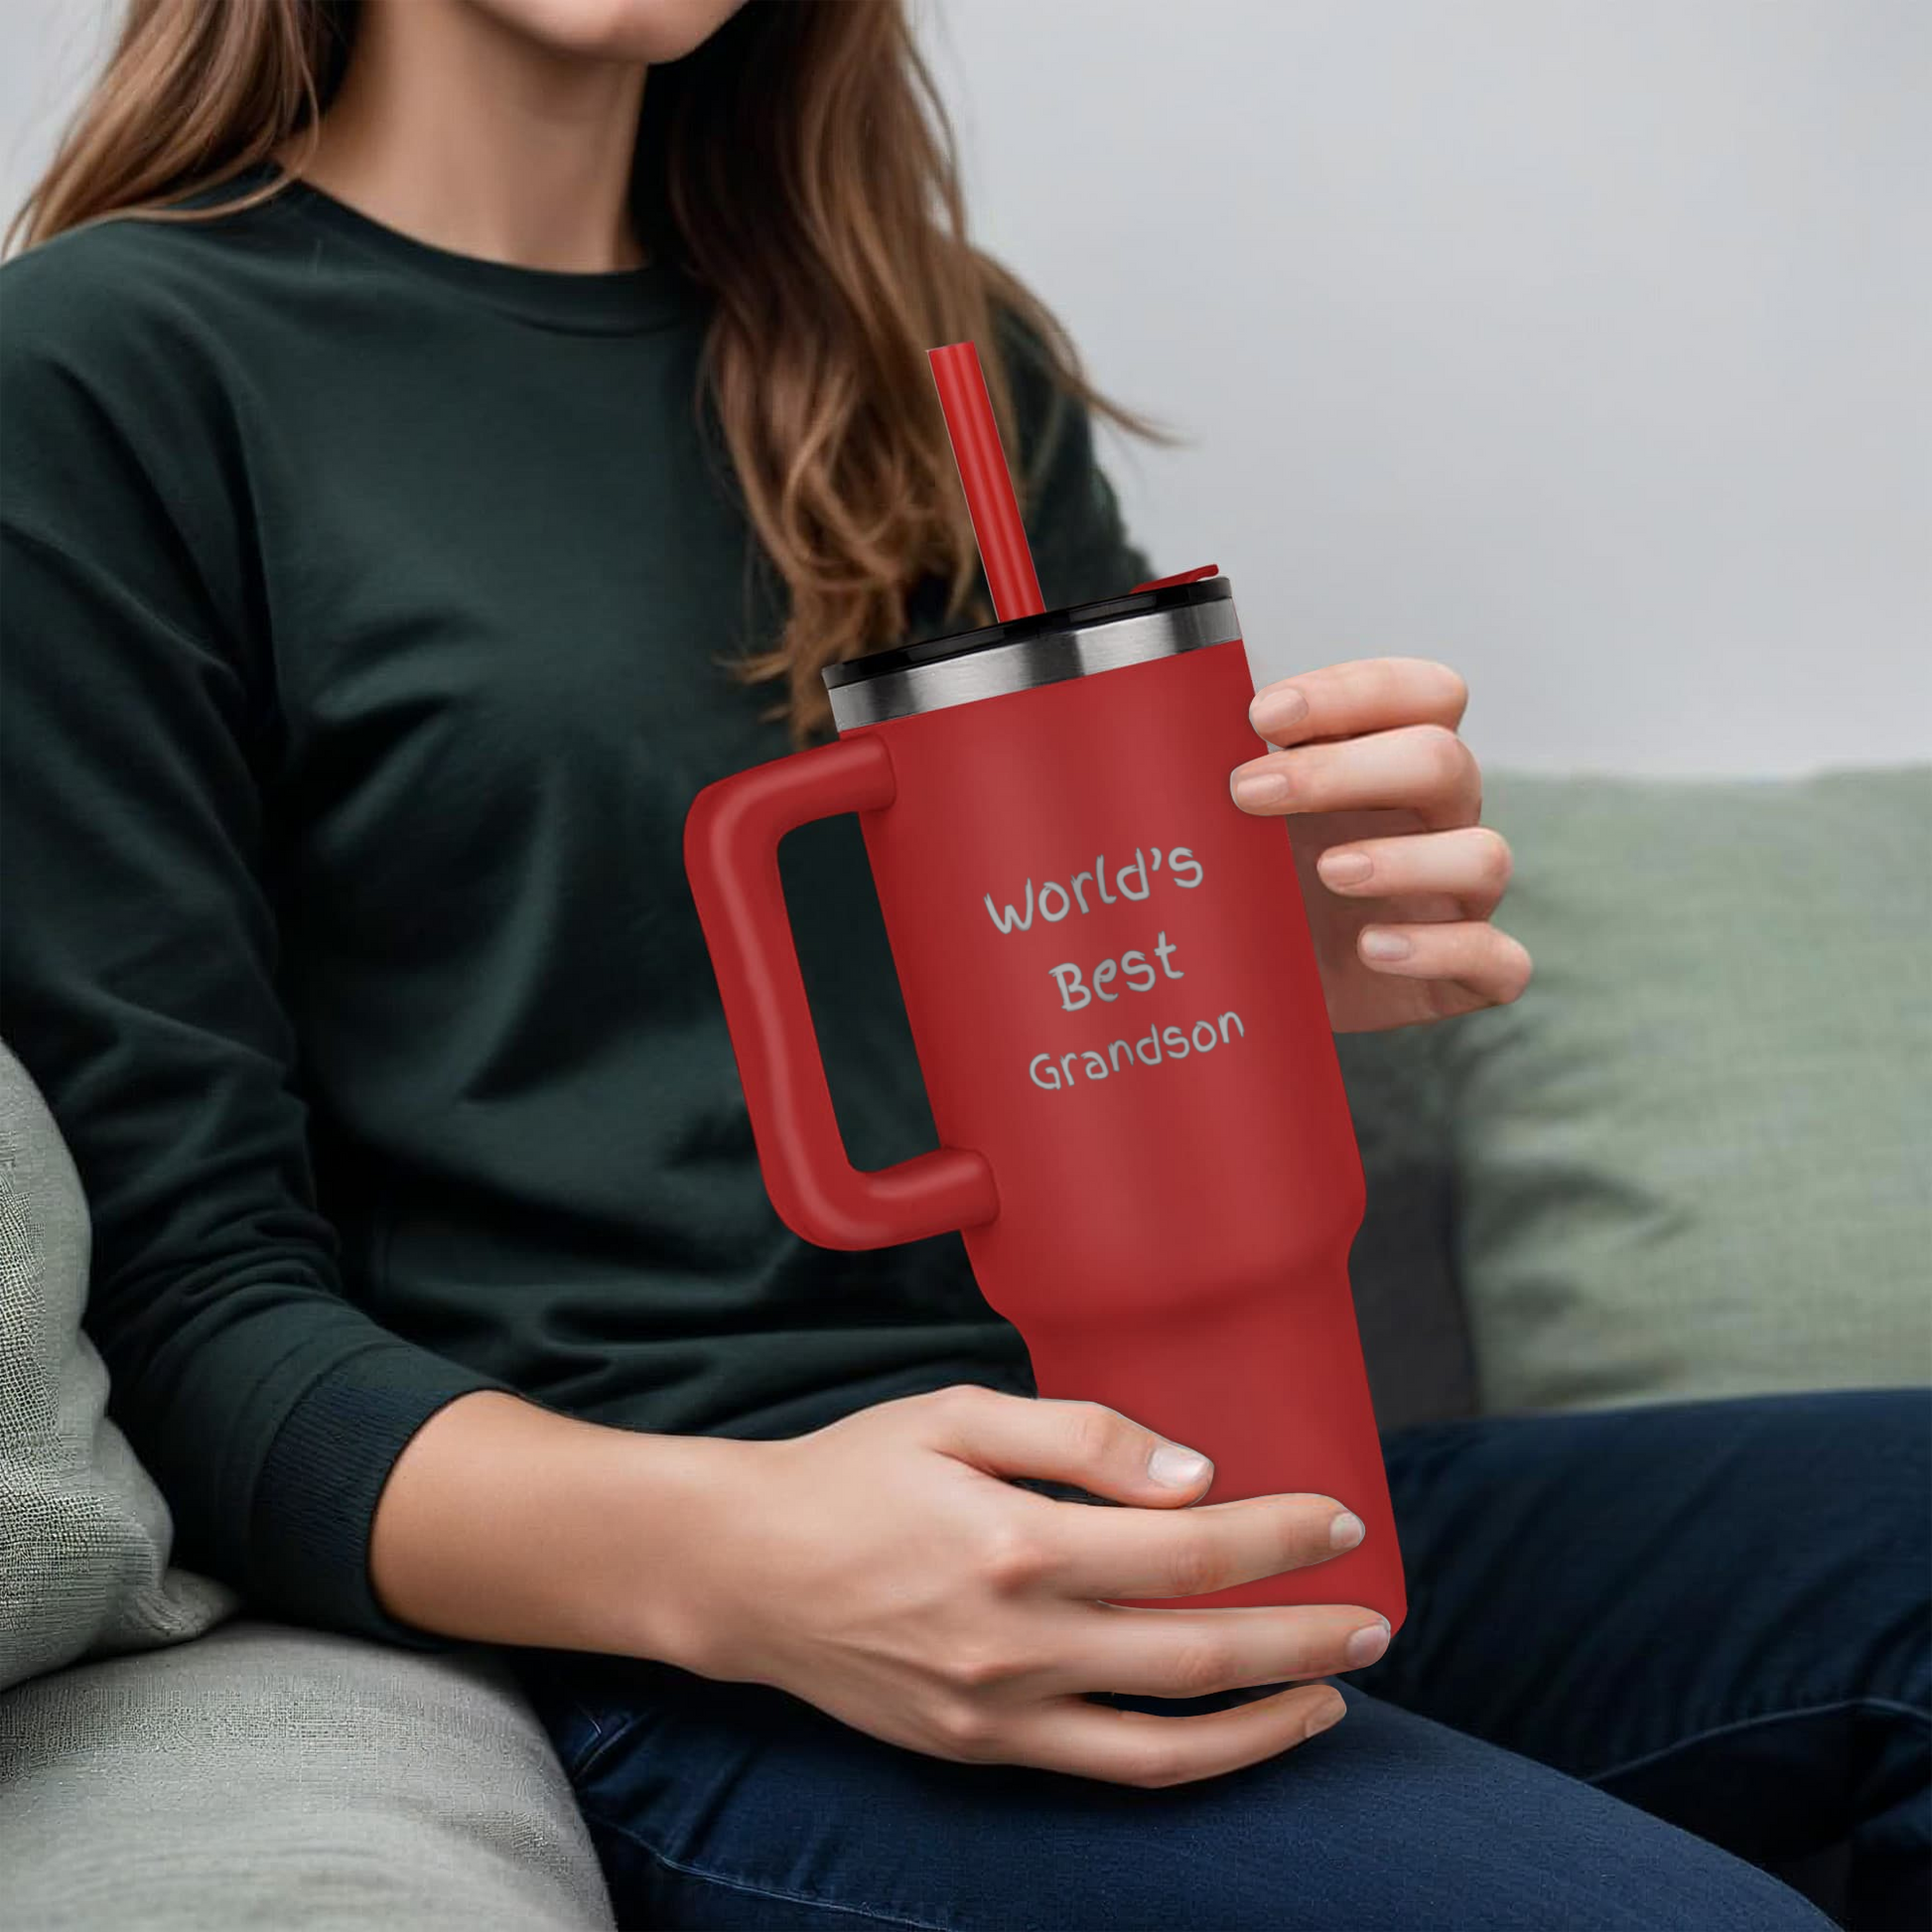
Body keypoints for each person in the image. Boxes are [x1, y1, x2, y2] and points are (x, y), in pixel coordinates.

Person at [1, 2, 1921, 1926]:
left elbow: (1066, 1012)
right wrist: (745, 1561)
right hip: (705, 1639)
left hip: (1150, 1490)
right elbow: (181, 1311)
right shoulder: (102, 373)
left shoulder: (928, 353)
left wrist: (1267, 957)